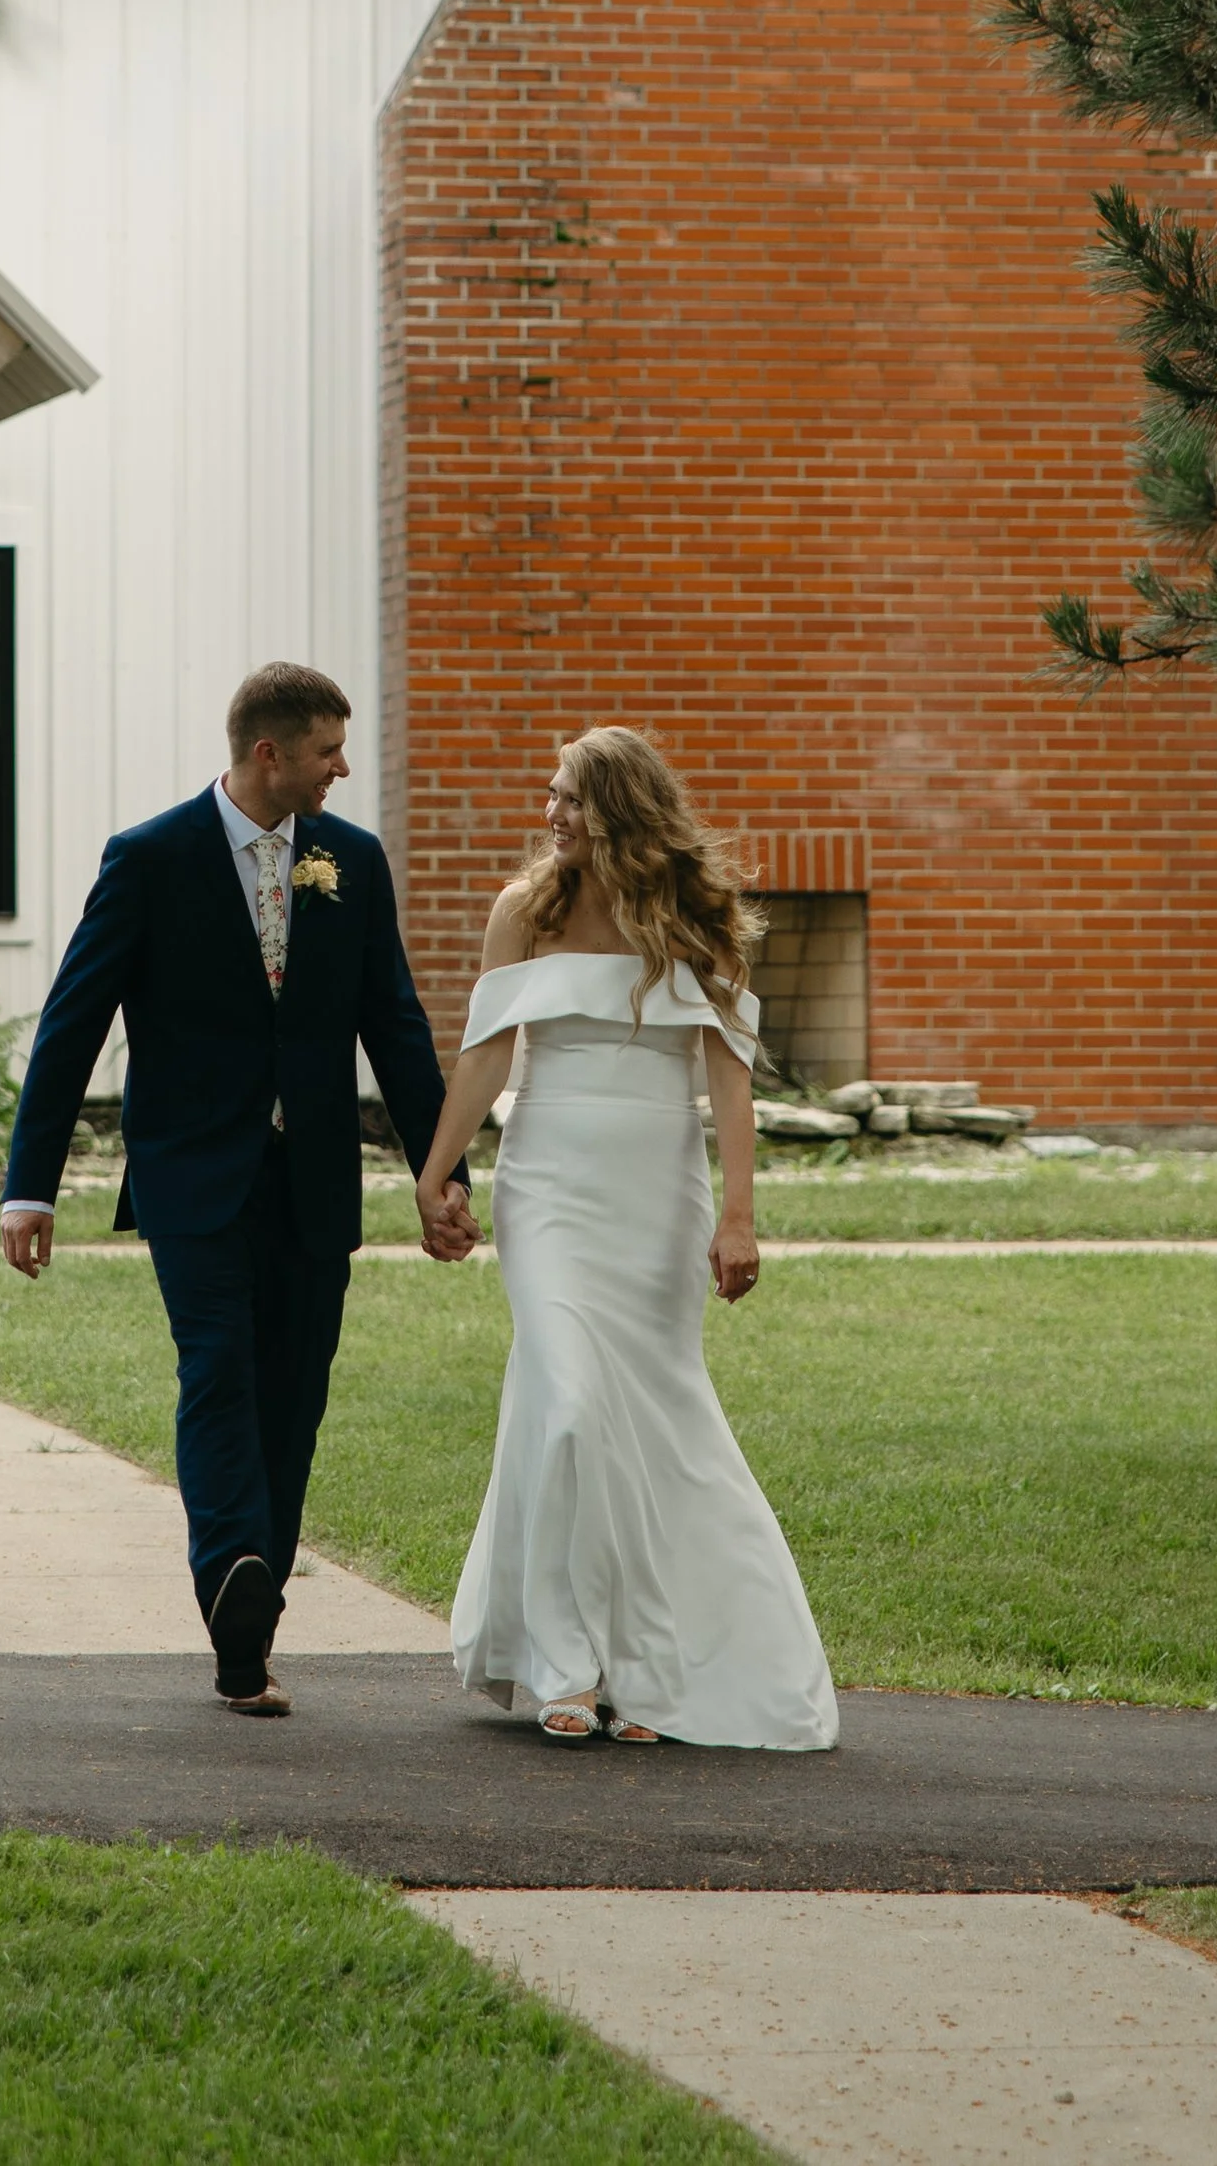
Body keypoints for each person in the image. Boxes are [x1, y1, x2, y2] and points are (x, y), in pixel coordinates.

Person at [0, 660, 476, 1715]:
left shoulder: (351, 861)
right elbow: (72, 1023)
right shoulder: (149, 859)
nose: (340, 770)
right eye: (325, 752)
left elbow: (393, 1024)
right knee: (217, 1368)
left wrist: (440, 1174)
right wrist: (28, 1187)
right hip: (190, 1178)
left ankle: (252, 1607)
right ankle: (232, 1587)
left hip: (311, 1180)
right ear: (270, 753)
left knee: (293, 1398)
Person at [414, 724, 838, 1750]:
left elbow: (729, 1077)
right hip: (549, 1183)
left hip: (658, 1191)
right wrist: (436, 1173)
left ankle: (642, 1665)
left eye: (566, 798)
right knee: (566, 1408)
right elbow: (485, 1056)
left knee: (650, 1424)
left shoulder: (697, 916)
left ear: (618, 807)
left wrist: (738, 1214)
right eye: (547, 796)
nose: (547, 814)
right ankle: (565, 1662)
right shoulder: (523, 910)